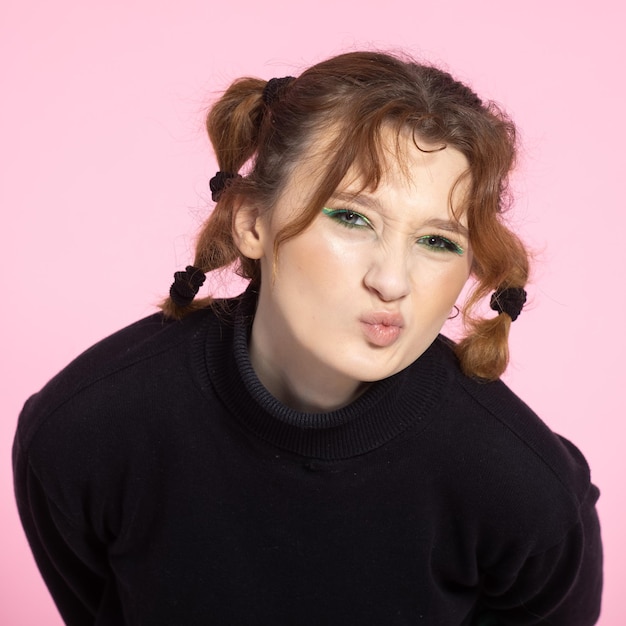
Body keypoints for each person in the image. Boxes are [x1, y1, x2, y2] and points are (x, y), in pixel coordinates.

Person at [13, 51, 602, 625]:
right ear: (250, 222)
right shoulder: (85, 430)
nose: (392, 281)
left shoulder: (524, 490)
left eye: (438, 241)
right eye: (351, 217)